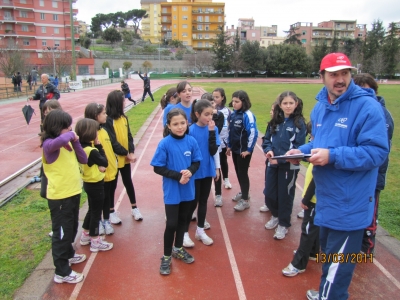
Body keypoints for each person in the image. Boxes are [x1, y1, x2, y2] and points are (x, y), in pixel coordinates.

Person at [286, 53, 389, 300]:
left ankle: (330, 294)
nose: (340, 79)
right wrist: (302, 151)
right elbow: (320, 143)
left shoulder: (367, 107)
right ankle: (325, 293)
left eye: (345, 73)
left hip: (350, 205)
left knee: (338, 270)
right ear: (322, 77)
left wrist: (332, 156)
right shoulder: (321, 106)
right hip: (326, 201)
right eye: (334, 74)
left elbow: (376, 153)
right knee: (330, 261)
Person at [150, 108, 202, 275]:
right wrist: (177, 175)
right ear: (169, 125)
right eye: (175, 124)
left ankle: (178, 248)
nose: (180, 127)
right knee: (171, 223)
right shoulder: (164, 143)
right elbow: (157, 167)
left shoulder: (191, 141)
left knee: (184, 220)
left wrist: (190, 171)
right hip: (172, 190)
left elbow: (196, 162)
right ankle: (166, 256)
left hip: (188, 189)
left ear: (187, 123)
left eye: (182, 123)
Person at [40, 110, 88, 284]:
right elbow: (58, 141)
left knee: (72, 228)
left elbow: (83, 159)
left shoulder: (66, 143)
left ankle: (69, 254)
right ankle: (62, 271)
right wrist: (70, 135)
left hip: (73, 193)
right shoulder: (48, 145)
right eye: (66, 126)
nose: (70, 128)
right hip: (60, 197)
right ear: (56, 127)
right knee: (61, 234)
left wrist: (75, 143)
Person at [353, 73, 394, 256]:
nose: (364, 95)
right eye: (359, 91)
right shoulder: (354, 111)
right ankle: (354, 242)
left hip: (373, 175)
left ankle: (367, 247)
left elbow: (379, 150)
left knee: (370, 211)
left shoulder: (382, 115)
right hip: (354, 173)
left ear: (375, 92)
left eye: (367, 91)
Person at [262, 91, 306, 240]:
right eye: (285, 103)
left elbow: (300, 146)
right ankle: (275, 215)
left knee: (285, 196)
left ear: (296, 104)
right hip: (272, 164)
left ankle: (283, 223)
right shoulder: (275, 121)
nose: (288, 106)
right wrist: (268, 152)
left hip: (289, 167)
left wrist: (282, 159)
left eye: (291, 103)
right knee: (269, 193)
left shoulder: (299, 123)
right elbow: (266, 140)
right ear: (280, 105)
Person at [282, 123, 320, 276]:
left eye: (312, 136)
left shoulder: (322, 152)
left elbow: (316, 179)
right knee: (316, 228)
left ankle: (299, 263)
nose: (310, 139)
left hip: (315, 199)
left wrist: (306, 199)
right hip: (317, 199)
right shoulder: (317, 152)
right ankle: (312, 252)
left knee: (308, 230)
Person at [183, 99, 220, 247]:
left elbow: (213, 151)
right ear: (197, 114)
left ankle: (200, 230)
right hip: (194, 171)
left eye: (211, 114)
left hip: (207, 169)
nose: (210, 117)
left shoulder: (214, 129)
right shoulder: (190, 130)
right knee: (192, 202)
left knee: (204, 201)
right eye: (206, 114)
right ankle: (184, 232)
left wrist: (217, 168)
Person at [103, 90, 143, 223]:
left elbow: (129, 136)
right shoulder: (108, 120)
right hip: (113, 159)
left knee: (128, 182)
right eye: (122, 100)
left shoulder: (124, 118)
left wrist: (131, 152)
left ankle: (134, 208)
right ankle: (111, 211)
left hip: (125, 158)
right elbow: (113, 142)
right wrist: (126, 153)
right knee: (112, 186)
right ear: (116, 103)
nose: (124, 102)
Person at [75, 118, 114, 252]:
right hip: (96, 184)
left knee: (92, 210)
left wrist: (100, 165)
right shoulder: (92, 151)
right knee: (96, 213)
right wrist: (98, 145)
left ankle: (85, 234)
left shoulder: (80, 147)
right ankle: (95, 240)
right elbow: (105, 162)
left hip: (88, 182)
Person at [84, 103, 118, 235]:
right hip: (99, 175)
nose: (106, 115)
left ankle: (106, 220)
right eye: (103, 113)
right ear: (95, 116)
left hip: (110, 171)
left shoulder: (104, 130)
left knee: (108, 197)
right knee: (99, 200)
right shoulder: (90, 134)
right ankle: (97, 222)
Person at [226, 90, 258, 211]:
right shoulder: (233, 114)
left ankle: (245, 200)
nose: (233, 103)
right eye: (233, 101)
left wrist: (249, 150)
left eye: (237, 101)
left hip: (244, 151)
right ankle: (244, 192)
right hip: (235, 149)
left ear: (243, 102)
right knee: (238, 172)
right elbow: (231, 131)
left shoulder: (247, 115)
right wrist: (229, 145)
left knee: (243, 173)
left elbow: (253, 133)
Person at [201, 92, 225, 207]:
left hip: (215, 147)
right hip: (203, 149)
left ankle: (218, 194)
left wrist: (212, 116)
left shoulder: (219, 115)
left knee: (217, 170)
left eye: (211, 103)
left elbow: (217, 129)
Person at [213, 88, 233, 205]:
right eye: (213, 97)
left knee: (222, 161)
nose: (215, 99)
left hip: (223, 140)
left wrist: (228, 143)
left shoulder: (227, 111)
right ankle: (218, 192)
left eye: (217, 97)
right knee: (216, 166)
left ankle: (226, 179)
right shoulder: (210, 111)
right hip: (213, 141)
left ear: (222, 98)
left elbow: (229, 126)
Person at [260, 101, 278, 213]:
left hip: (283, 162)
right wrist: (268, 150)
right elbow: (266, 139)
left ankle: (278, 210)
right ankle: (269, 203)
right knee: (268, 182)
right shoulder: (271, 124)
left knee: (279, 186)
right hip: (270, 159)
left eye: (273, 110)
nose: (270, 112)